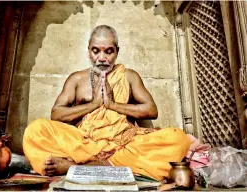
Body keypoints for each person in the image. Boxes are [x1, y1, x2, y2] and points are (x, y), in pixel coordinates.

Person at [23, 25, 191, 181]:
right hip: (84, 144)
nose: (102, 58)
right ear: (89, 51)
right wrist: (94, 104)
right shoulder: (77, 79)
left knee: (179, 139)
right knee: (35, 131)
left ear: (117, 52)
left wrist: (112, 105)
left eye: (108, 52)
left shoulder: (129, 76)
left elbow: (151, 110)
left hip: (123, 145)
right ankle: (108, 168)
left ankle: (77, 168)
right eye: (96, 51)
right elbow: (56, 114)